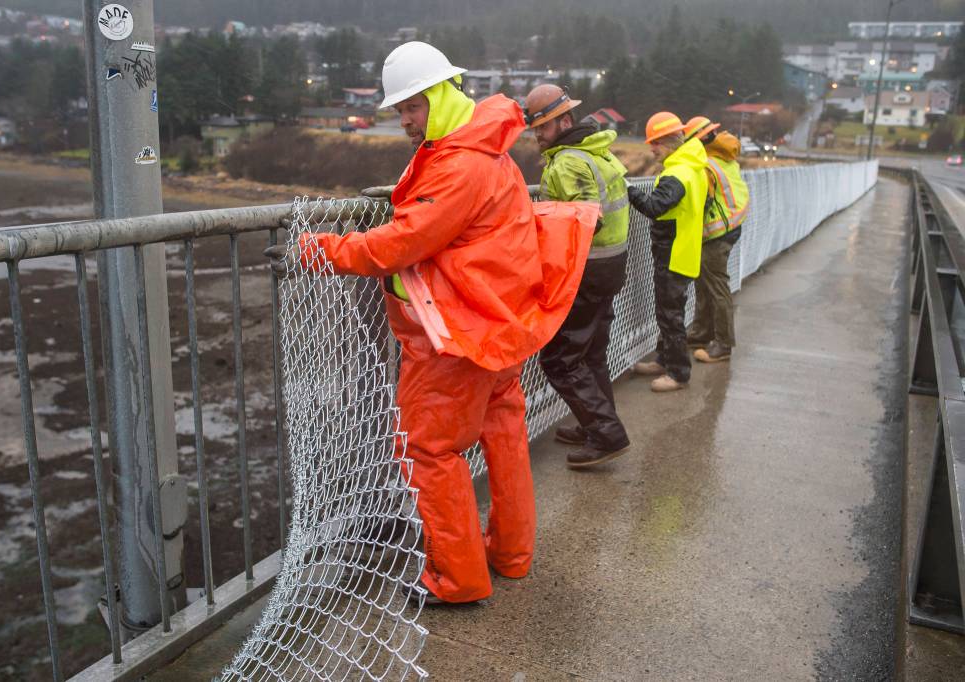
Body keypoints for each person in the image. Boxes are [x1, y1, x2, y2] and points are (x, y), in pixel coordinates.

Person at [266, 42, 598, 605]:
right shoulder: (488, 148)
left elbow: (403, 242)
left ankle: (459, 579)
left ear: (440, 96)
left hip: (458, 334)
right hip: (501, 320)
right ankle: (509, 555)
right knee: (503, 429)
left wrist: (316, 251)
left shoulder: (458, 162)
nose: (405, 121)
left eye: (411, 107)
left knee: (429, 449)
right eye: (399, 111)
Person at [524, 84, 631, 469]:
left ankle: (606, 433)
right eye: (535, 128)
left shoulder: (568, 162)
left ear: (565, 121)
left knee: (560, 359)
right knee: (593, 353)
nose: (538, 135)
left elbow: (583, 220)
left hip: (585, 270)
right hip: (611, 265)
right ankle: (596, 425)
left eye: (544, 126)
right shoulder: (596, 152)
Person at [627, 112, 709, 392]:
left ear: (669, 141)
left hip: (673, 253)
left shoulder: (677, 173)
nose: (652, 149)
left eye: (656, 143)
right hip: (683, 249)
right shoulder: (693, 167)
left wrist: (628, 189)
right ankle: (664, 360)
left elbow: (654, 208)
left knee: (670, 315)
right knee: (669, 312)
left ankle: (677, 373)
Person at [683, 116, 749, 363]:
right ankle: (701, 334)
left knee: (716, 285)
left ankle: (723, 344)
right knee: (705, 282)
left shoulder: (707, 165)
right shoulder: (725, 157)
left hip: (717, 231)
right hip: (730, 226)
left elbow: (703, 201)